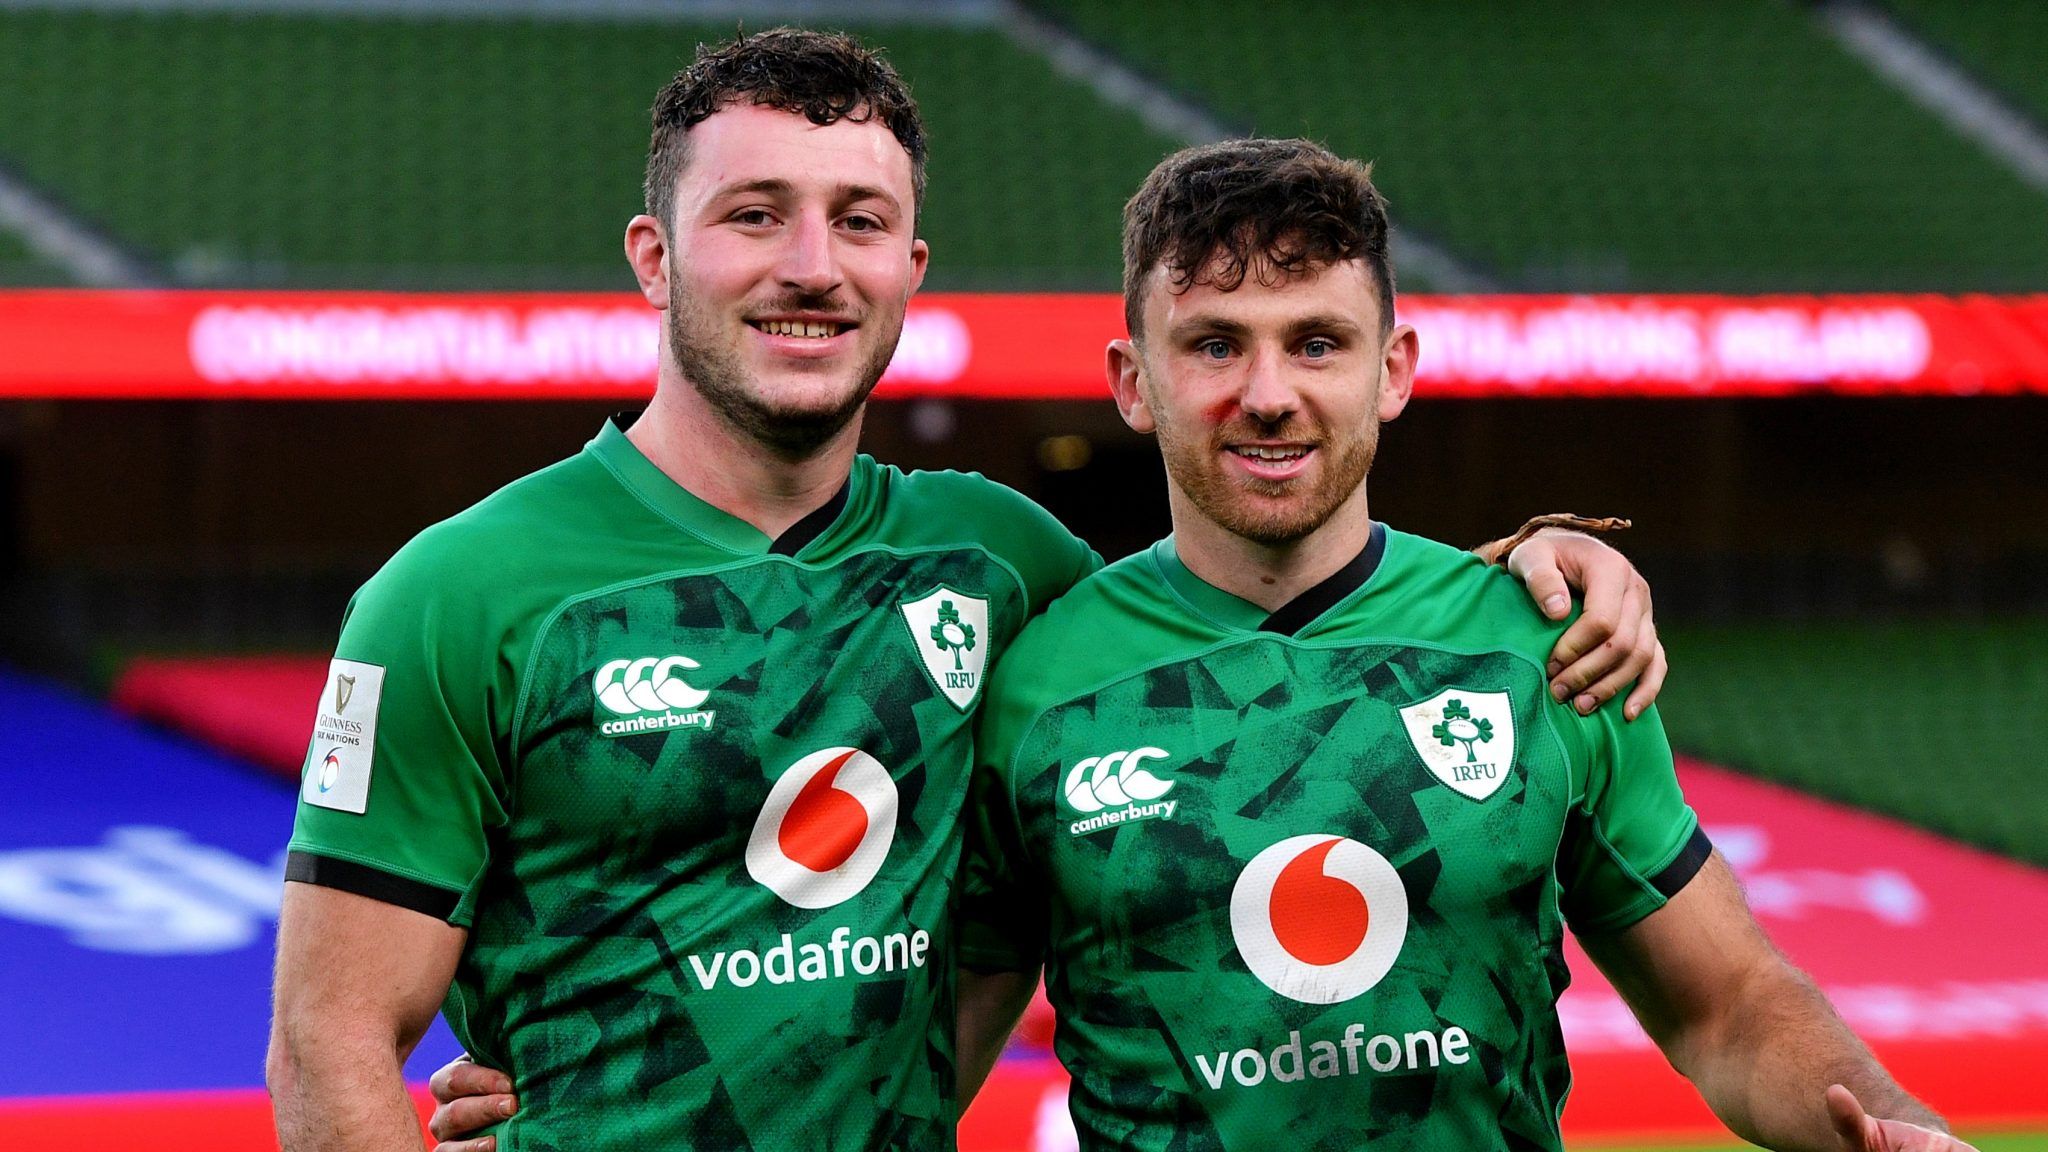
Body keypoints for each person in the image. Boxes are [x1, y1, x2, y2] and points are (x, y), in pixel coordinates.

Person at [270, 30, 1666, 1152]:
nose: (811, 266)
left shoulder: (1004, 565)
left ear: (910, 269)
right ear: (653, 256)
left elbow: (1259, 596)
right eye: (754, 216)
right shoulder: (454, 594)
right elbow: (328, 1047)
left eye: (858, 221)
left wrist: (1534, 567)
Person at [932, 139, 1970, 1151]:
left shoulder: (1546, 649)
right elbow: (927, 1067)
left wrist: (1895, 1130)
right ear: (1130, 382)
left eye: (1317, 343)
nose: (1268, 395)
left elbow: (1730, 1007)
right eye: (1214, 345)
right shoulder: (1033, 691)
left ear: (1393, 371)